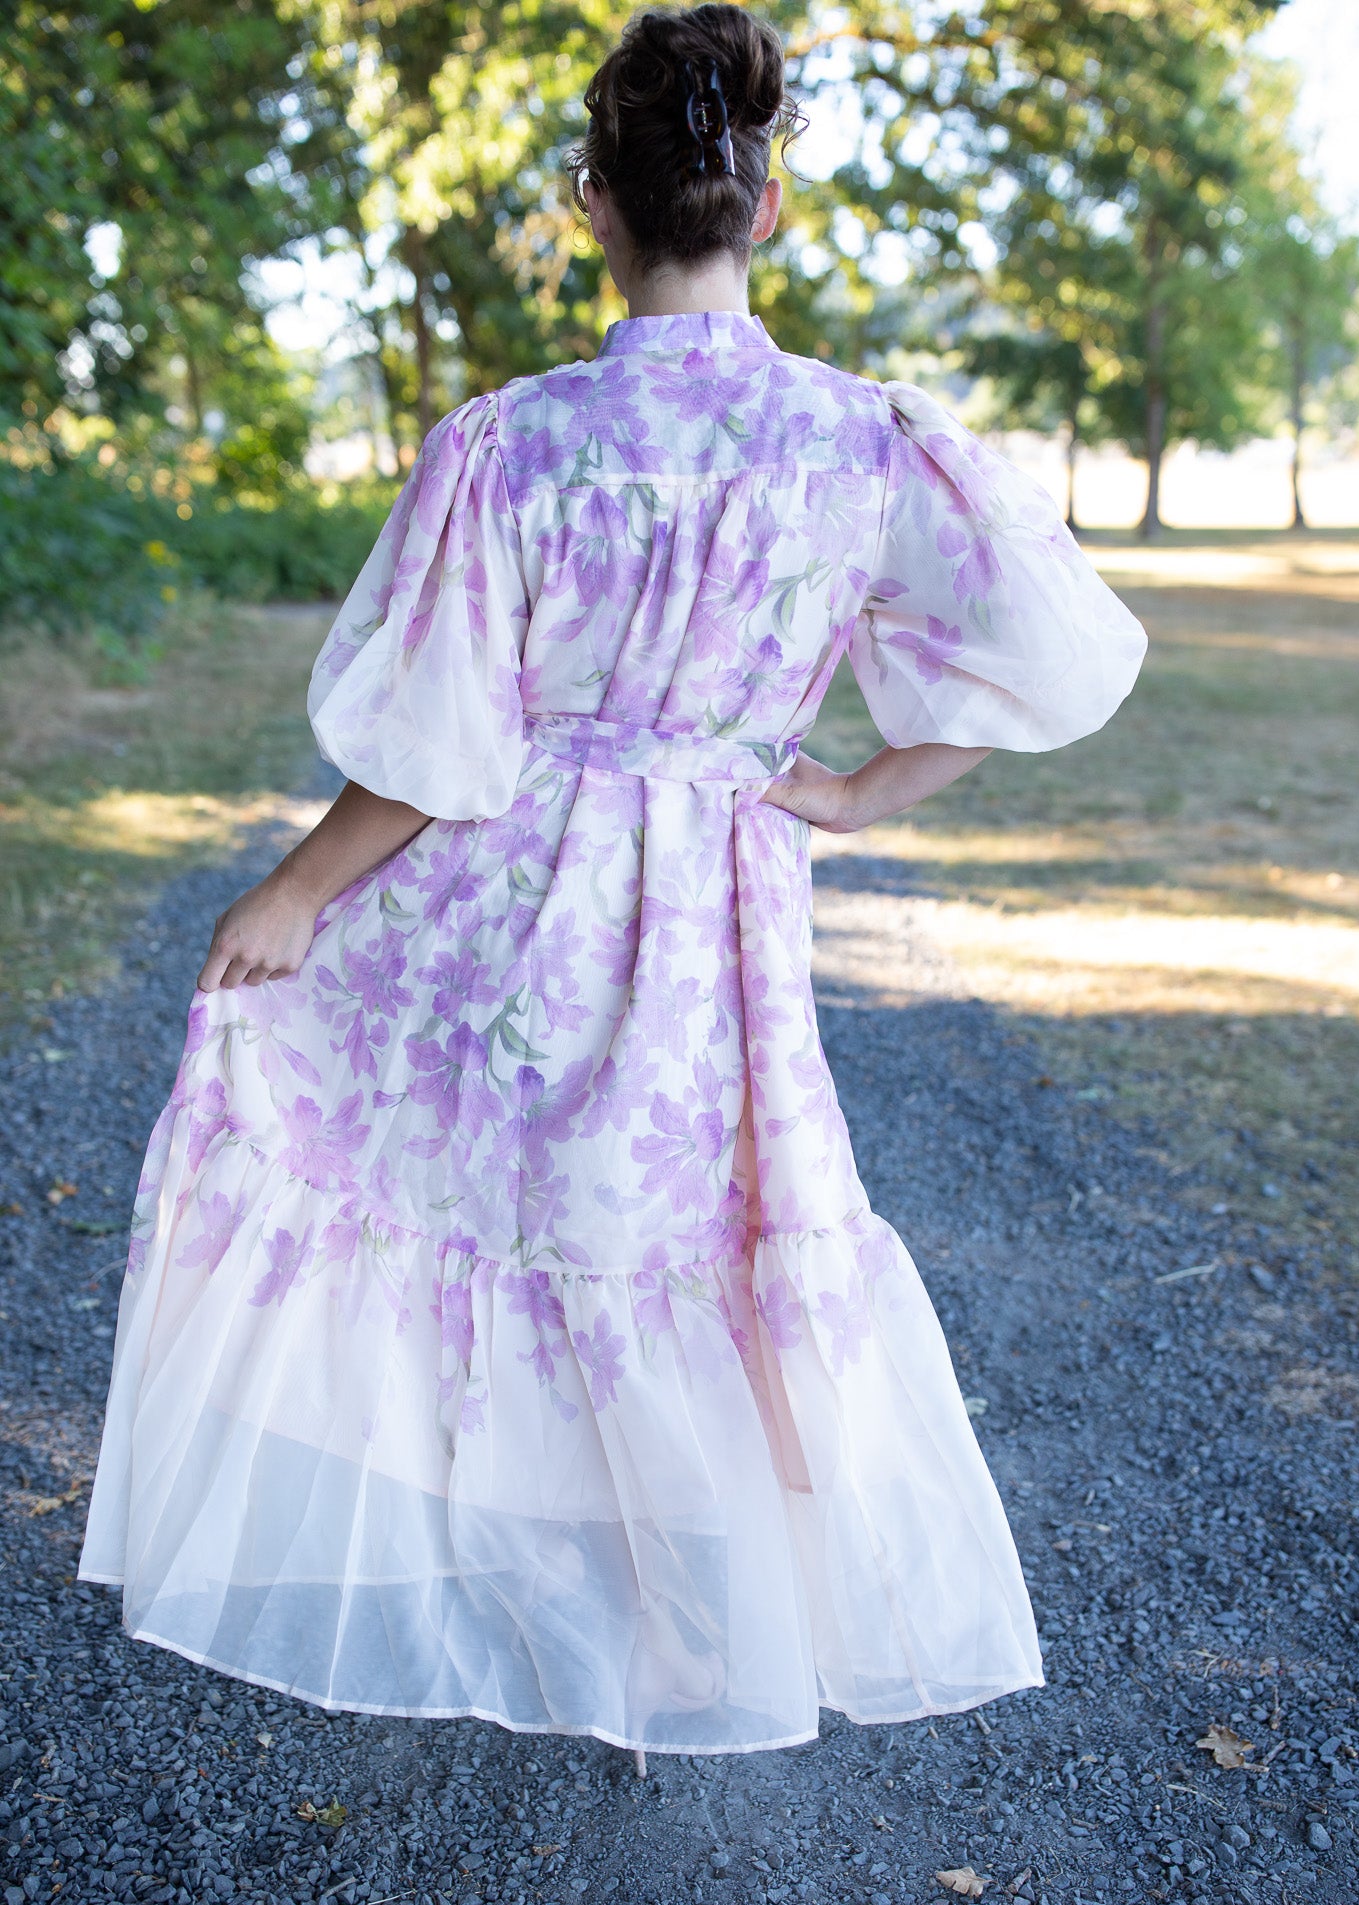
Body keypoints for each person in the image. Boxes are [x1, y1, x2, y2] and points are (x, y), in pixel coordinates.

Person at [78, 3, 1146, 1774]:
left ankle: (527, 1568)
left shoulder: (515, 441)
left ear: (596, 204)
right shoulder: (859, 440)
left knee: (498, 1194)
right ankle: (680, 1613)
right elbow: (1049, 651)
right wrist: (857, 791)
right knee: (677, 1224)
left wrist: (293, 894)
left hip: (509, 896)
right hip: (720, 900)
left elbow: (437, 743)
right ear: (766, 206)